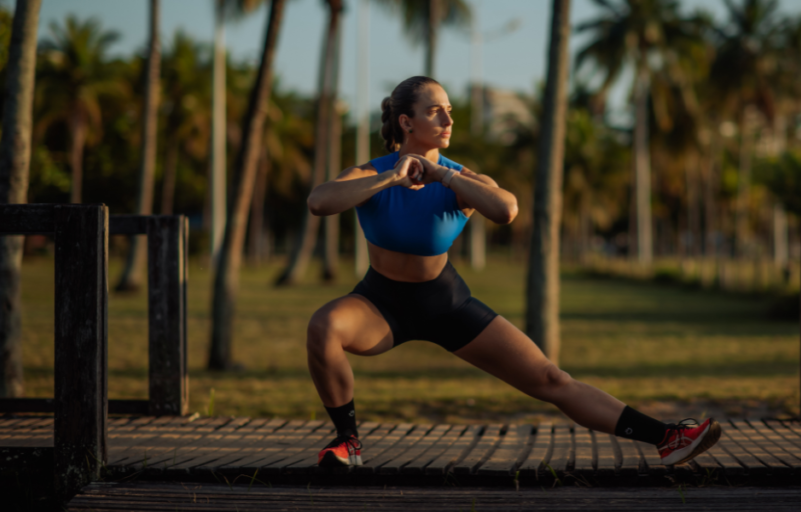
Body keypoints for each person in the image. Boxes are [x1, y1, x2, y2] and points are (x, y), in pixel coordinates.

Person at [305, 76, 721, 467]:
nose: (449, 120)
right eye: (436, 111)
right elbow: (320, 201)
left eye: (449, 110)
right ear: (405, 121)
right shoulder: (371, 173)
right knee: (325, 326)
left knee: (550, 378)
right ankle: (347, 440)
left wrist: (444, 175)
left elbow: (506, 210)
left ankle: (667, 437)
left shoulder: (461, 178)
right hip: (381, 303)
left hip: (445, 302)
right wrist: (392, 179)